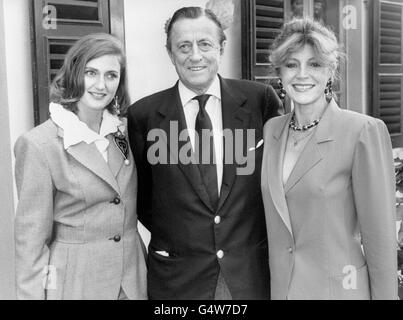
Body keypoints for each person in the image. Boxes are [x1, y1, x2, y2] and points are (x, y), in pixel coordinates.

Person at [127, 7, 282, 299]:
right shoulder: (143, 116)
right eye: (183, 46)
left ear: (221, 47)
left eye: (205, 44)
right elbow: (145, 200)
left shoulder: (259, 101)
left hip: (250, 276)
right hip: (178, 281)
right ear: (170, 53)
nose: (195, 55)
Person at [261, 18, 397, 299]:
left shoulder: (362, 131)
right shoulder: (272, 130)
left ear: (330, 70)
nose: (302, 74)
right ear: (280, 72)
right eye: (291, 64)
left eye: (314, 64)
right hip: (282, 292)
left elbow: (380, 239)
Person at [14, 33, 147, 300]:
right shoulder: (39, 144)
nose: (101, 85)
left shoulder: (124, 132)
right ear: (74, 73)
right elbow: (31, 242)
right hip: (75, 283)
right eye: (91, 72)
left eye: (111, 75)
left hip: (132, 282)